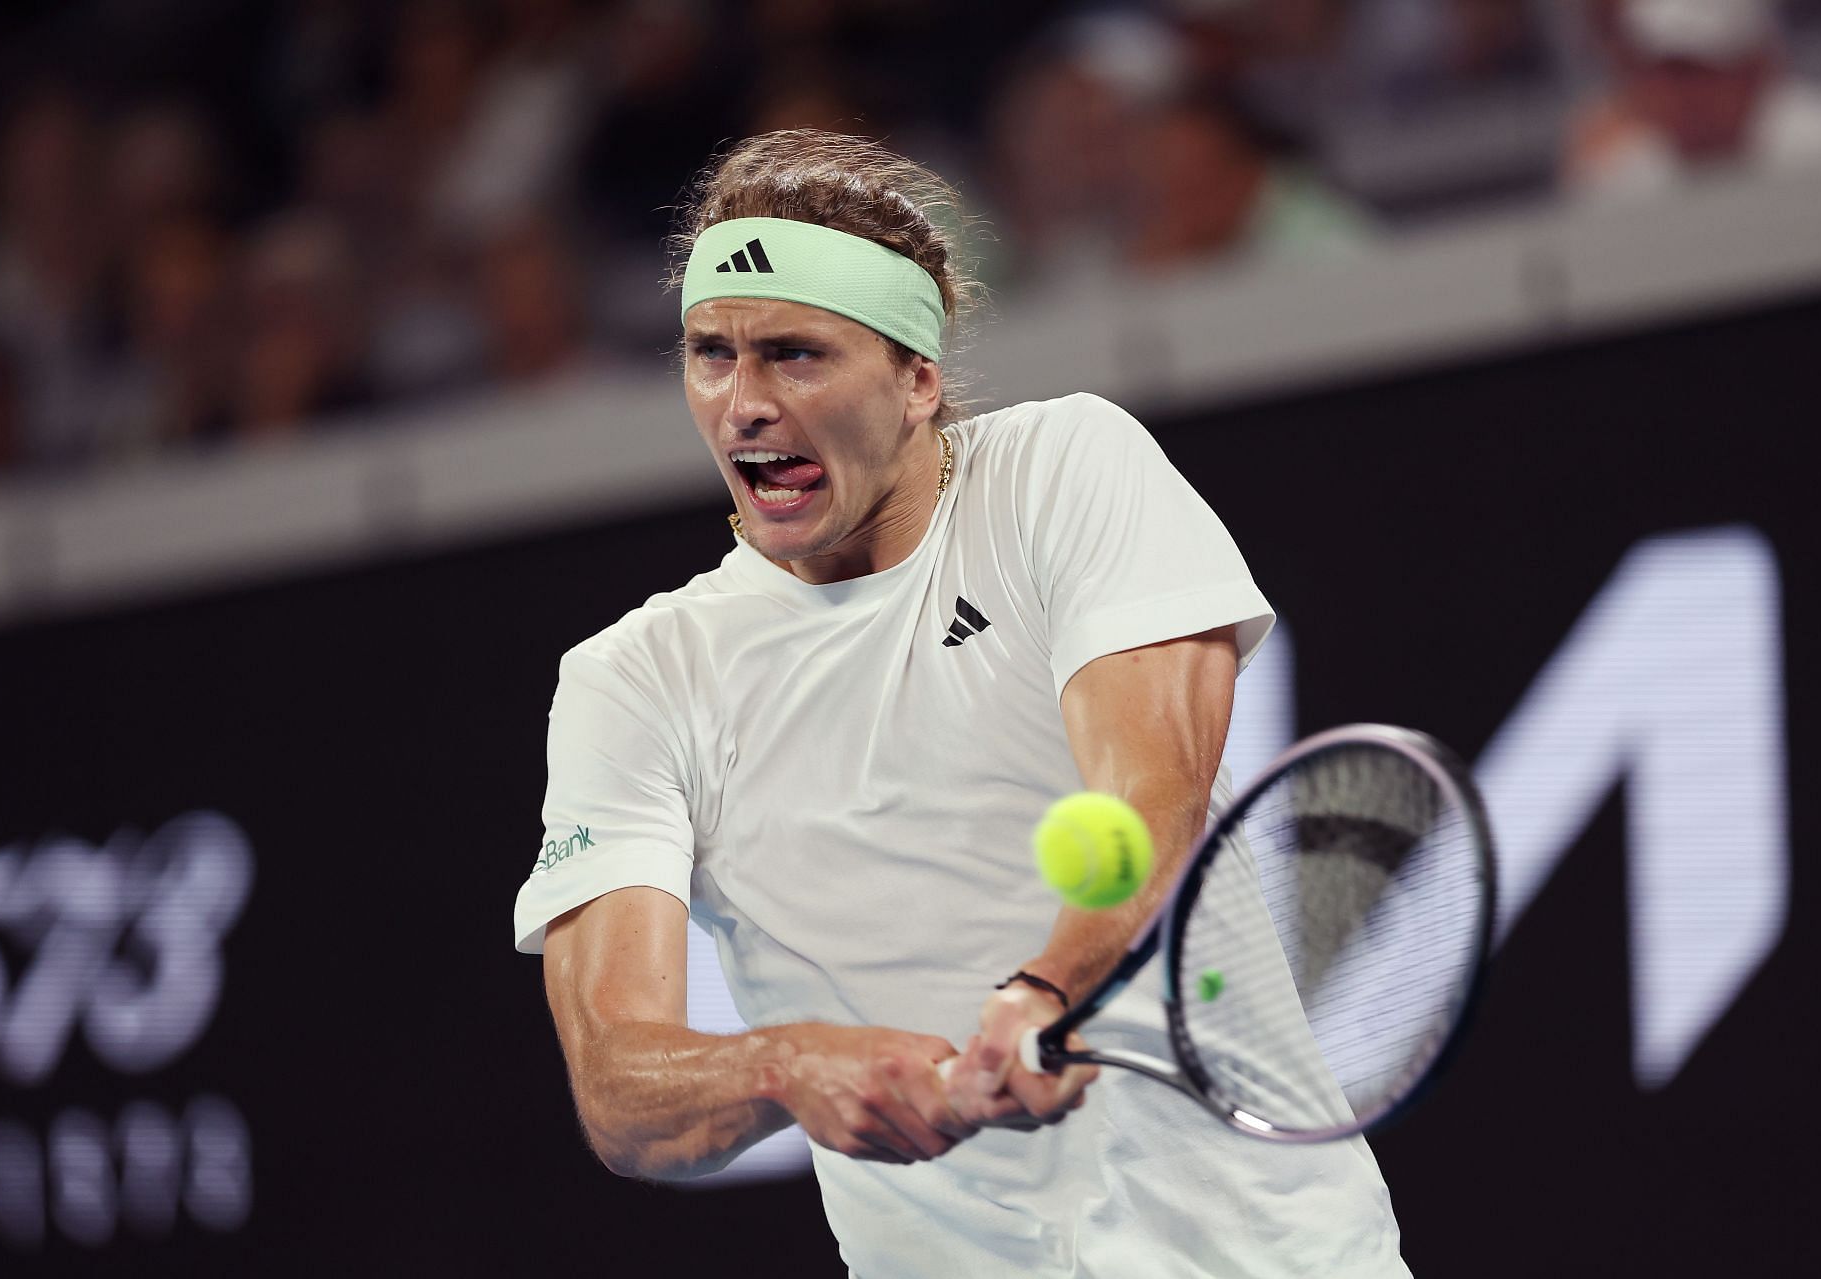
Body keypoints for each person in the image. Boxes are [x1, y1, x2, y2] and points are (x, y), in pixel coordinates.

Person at [511, 130, 1407, 1277]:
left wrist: (1044, 991)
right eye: (710, 354)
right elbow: (620, 1087)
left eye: (794, 354)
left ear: (917, 379)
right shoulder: (632, 681)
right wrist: (781, 1063)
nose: (743, 403)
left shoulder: (1066, 468)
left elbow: (1155, 792)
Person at [1562, 0, 1821, 200]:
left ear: (1755, 71)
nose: (1682, 95)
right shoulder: (1621, 182)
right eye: (1662, 73)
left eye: (1701, 72)